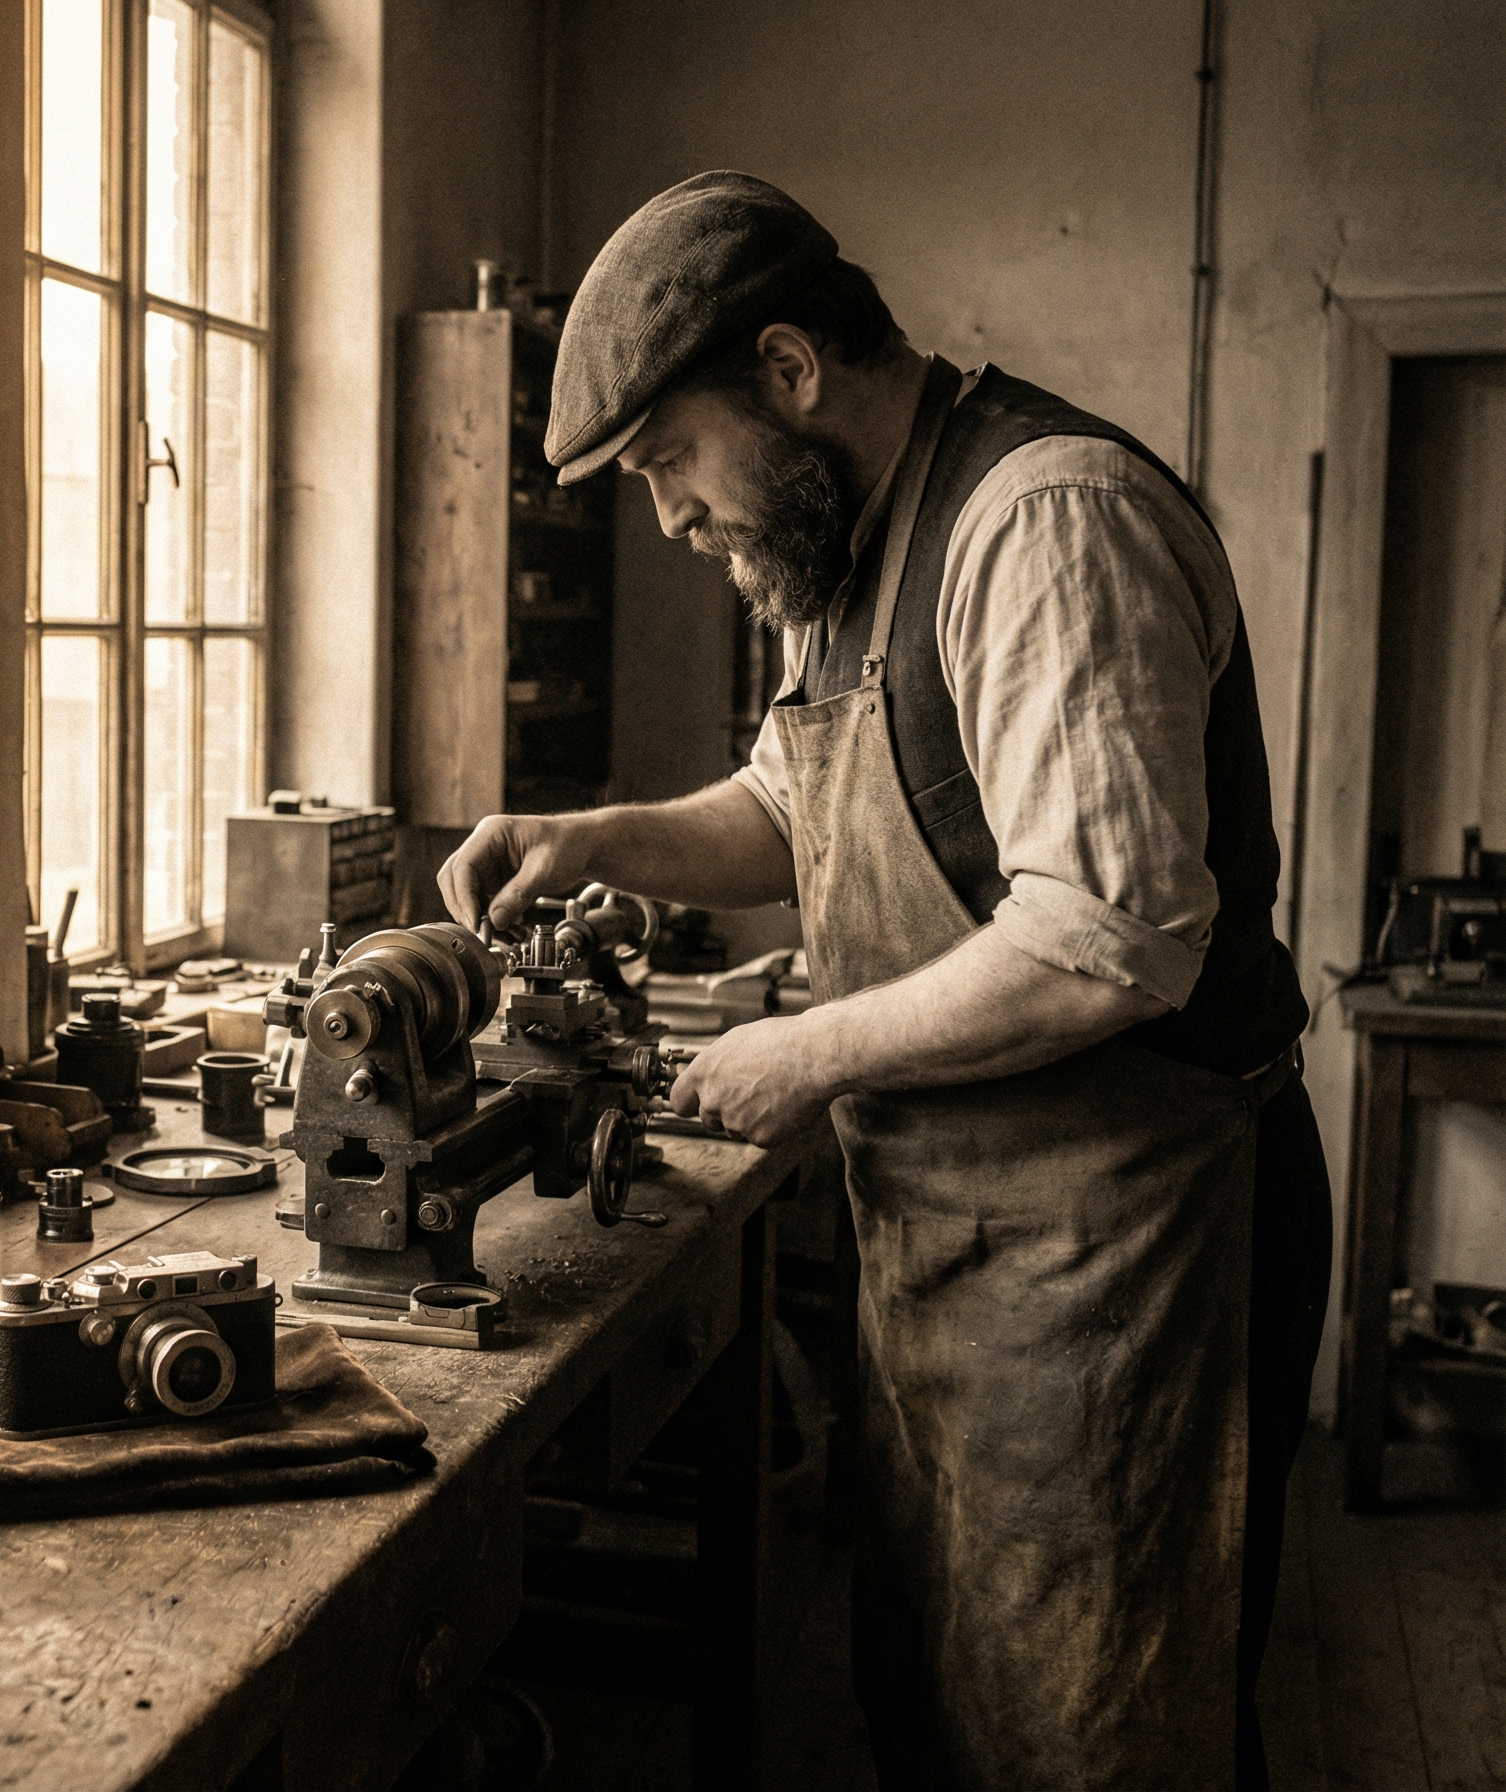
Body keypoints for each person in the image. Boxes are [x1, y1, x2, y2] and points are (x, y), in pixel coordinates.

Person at [438, 172, 1330, 1792]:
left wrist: (806, 1055)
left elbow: (1106, 934)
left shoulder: (1045, 522)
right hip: (967, 1248)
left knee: (1101, 1739)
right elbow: (799, 804)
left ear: (788, 372)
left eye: (668, 463)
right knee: (953, 1707)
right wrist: (592, 838)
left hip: (1124, 1247)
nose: (669, 518)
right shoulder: (844, 547)